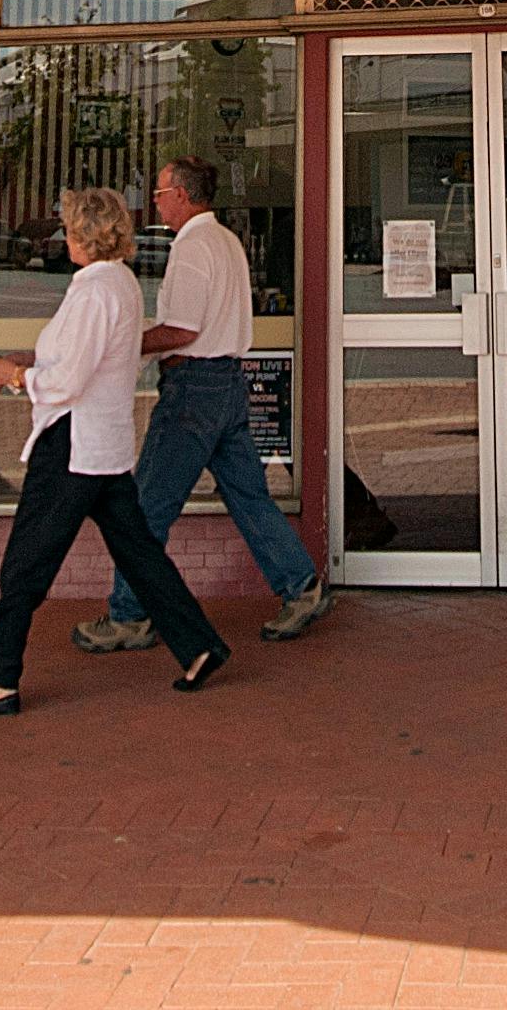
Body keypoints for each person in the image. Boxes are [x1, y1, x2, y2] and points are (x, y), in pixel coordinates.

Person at [0, 185, 229, 719]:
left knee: (27, 563)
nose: (64, 235)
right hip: (105, 447)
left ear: (84, 235)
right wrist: (29, 363)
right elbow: (90, 359)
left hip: (72, 446)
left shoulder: (93, 292)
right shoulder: (120, 283)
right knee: (140, 554)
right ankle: (198, 644)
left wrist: (16, 376)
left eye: (69, 227)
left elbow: (69, 380)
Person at [74, 157, 334, 653]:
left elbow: (182, 330)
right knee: (248, 495)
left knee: (147, 505)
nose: (155, 202)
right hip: (228, 383)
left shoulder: (192, 247)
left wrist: (123, 342)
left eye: (159, 193)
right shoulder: (228, 241)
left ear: (181, 195)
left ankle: (130, 614)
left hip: (193, 389)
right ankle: (301, 586)